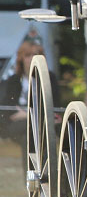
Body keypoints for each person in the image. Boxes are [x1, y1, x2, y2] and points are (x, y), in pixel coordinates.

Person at [1, 38, 58, 166]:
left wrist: (27, 114)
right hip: (17, 125)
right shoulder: (14, 80)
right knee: (31, 130)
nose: (32, 58)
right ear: (21, 58)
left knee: (29, 135)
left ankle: (33, 176)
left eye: (35, 55)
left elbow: (55, 105)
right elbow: (7, 110)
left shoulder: (50, 78)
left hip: (40, 122)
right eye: (28, 55)